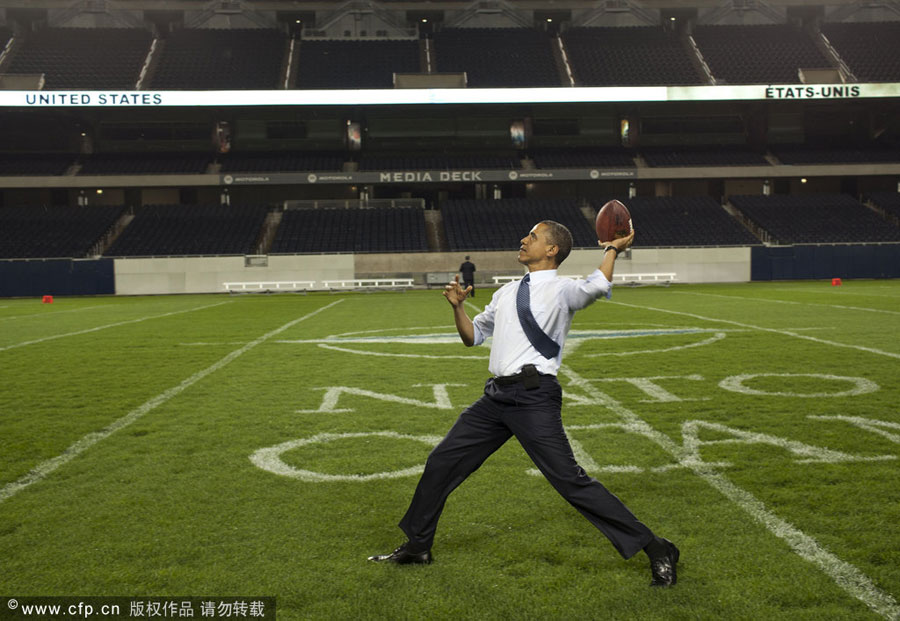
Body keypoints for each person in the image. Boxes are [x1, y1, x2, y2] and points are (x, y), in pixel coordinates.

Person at [369, 220, 679, 587]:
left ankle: (657, 548)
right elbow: (474, 337)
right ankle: (418, 545)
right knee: (442, 462)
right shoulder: (506, 292)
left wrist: (612, 249)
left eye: (532, 237)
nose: (523, 239)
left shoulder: (563, 290)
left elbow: (597, 285)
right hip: (495, 397)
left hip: (533, 397)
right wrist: (457, 308)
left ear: (552, 250)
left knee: (569, 481)